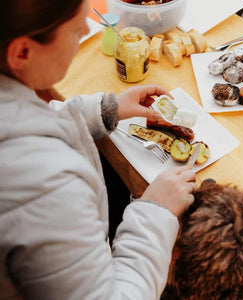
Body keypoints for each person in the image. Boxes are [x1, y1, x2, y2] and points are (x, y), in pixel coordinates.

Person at [0, 0, 197, 299]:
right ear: (22, 52)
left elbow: (30, 119)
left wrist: (106, 109)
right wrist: (155, 211)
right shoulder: (43, 186)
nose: (85, 30)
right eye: (76, 30)